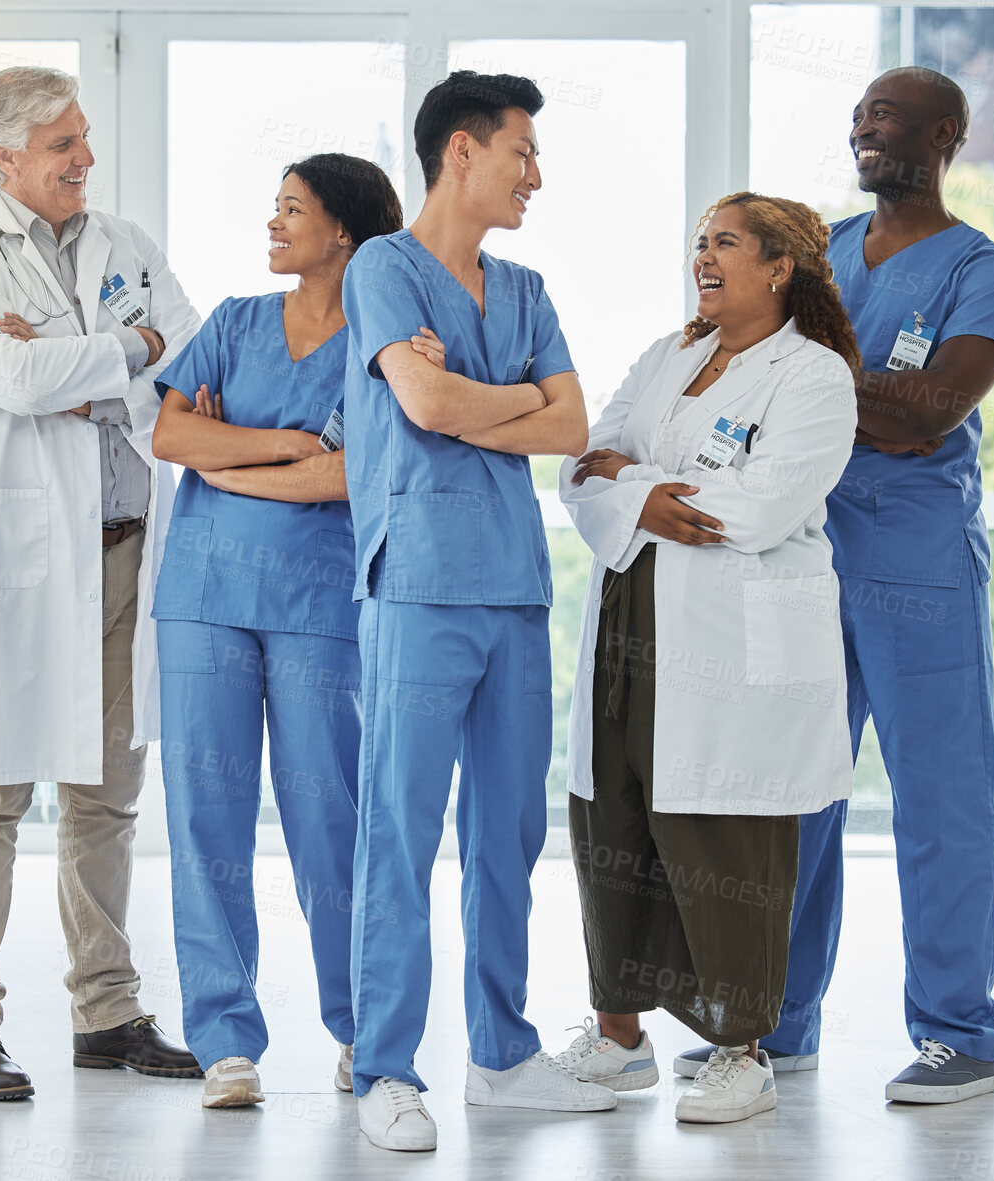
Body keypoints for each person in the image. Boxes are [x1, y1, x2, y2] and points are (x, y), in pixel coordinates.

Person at [673, 67, 994, 1105]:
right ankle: (776, 1026)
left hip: (916, 568)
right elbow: (744, 372)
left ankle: (959, 1031)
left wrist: (821, 382)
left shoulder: (982, 268)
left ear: (945, 133)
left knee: (941, 801)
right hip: (803, 563)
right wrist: (855, 392)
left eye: (887, 116)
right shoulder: (817, 248)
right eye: (859, 117)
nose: (864, 129)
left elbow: (933, 413)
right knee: (793, 798)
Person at [0, 65, 203, 1101]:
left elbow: (194, 366)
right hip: (20, 559)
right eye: (62, 146)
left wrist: (87, 370)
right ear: (2, 158)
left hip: (129, 545)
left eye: (84, 138)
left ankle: (108, 1010)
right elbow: (15, 378)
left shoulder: (124, 242)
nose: (85, 159)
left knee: (108, 795)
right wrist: (128, 350)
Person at [340, 70, 602, 1154]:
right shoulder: (381, 268)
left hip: (512, 584)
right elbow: (425, 403)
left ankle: (501, 1052)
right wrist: (512, 402)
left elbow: (574, 424)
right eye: (521, 153)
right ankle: (387, 1067)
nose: (535, 174)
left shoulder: (528, 289)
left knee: (510, 833)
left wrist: (478, 405)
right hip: (418, 581)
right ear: (461, 150)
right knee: (399, 831)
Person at [556, 192, 859, 1124]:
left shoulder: (813, 377)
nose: (704, 257)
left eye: (726, 242)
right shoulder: (667, 357)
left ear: (781, 268)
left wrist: (632, 490)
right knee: (614, 820)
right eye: (700, 242)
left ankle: (741, 1050)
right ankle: (618, 1038)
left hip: (731, 643)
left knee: (726, 837)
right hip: (630, 622)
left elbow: (757, 509)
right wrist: (645, 494)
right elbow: (582, 462)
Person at [148, 154, 403, 1110]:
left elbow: (350, 475)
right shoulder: (236, 321)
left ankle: (360, 1027)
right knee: (204, 822)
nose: (275, 221)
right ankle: (224, 1041)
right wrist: (286, 443)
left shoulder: (380, 341)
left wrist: (230, 458)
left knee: (330, 820)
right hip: (204, 596)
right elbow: (174, 437)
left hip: (318, 603)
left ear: (342, 231)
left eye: (292, 208)